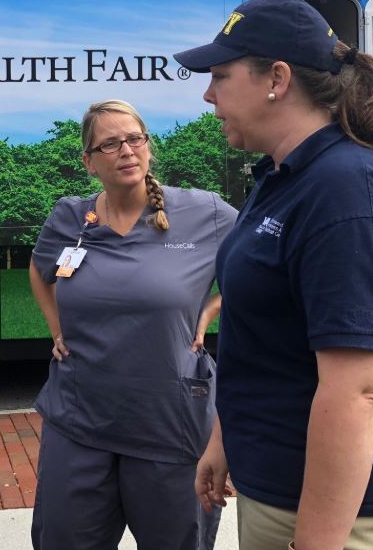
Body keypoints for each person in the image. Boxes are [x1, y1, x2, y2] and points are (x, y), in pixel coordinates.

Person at [175, 0, 373, 550]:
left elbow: (357, 388)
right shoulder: (282, 176)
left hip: (341, 517)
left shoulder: (344, 188)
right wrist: (226, 438)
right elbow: (262, 338)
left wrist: (317, 542)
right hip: (282, 491)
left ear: (278, 78)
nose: (208, 94)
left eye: (220, 75)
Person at [28, 99, 237, 550]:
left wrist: (214, 307)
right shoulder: (69, 217)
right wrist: (56, 328)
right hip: (79, 419)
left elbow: (267, 265)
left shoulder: (206, 214)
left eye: (134, 139)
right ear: (89, 162)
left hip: (170, 424)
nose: (126, 151)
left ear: (148, 146)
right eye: (110, 144)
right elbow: (38, 269)